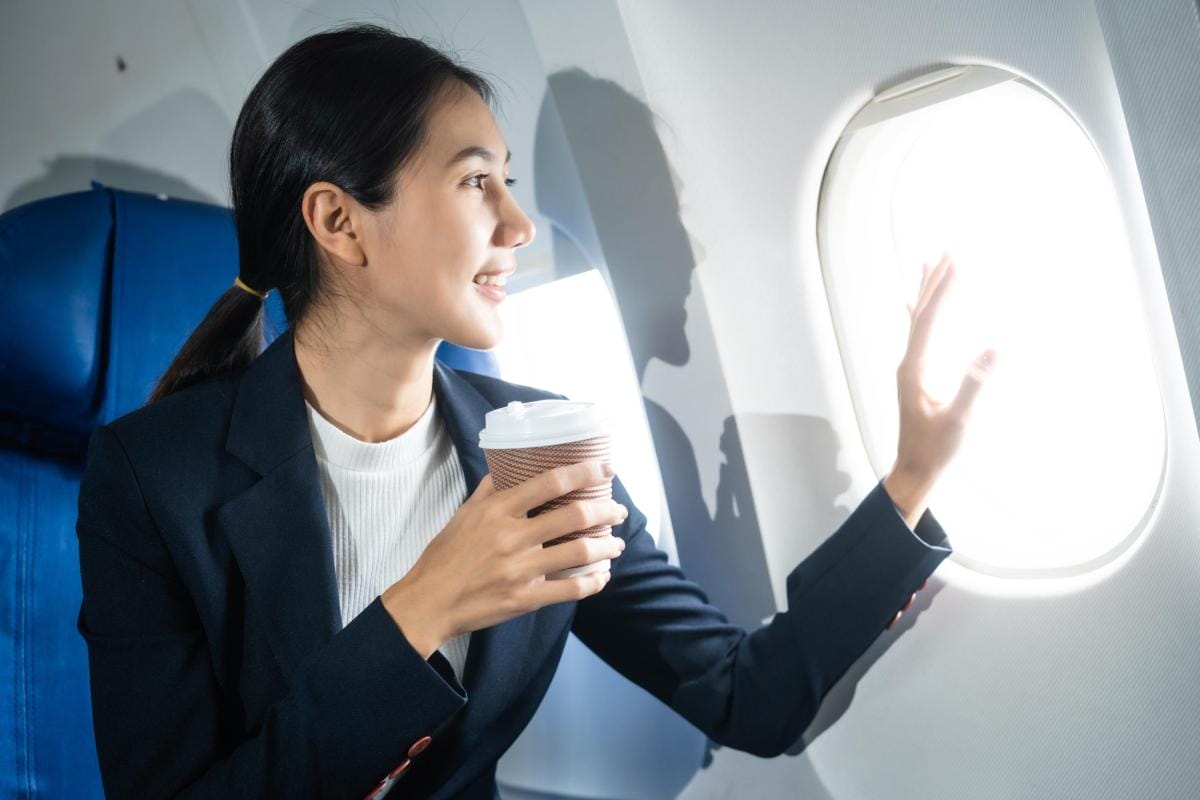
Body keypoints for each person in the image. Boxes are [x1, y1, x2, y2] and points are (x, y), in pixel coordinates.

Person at [73, 23, 996, 800]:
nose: (518, 226)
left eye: (508, 182)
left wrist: (910, 476)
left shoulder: (544, 450)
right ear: (340, 222)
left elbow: (747, 699)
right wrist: (427, 605)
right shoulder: (152, 479)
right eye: (478, 181)